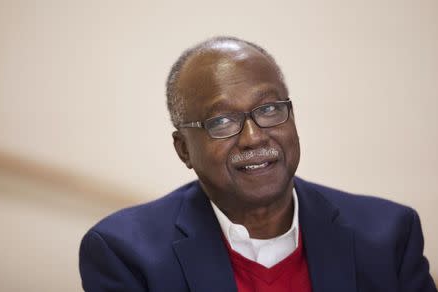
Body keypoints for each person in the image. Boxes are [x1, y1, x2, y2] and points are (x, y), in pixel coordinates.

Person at [79, 36, 437, 292]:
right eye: (221, 121)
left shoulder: (388, 235)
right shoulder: (124, 253)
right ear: (183, 149)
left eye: (268, 109)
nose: (252, 137)